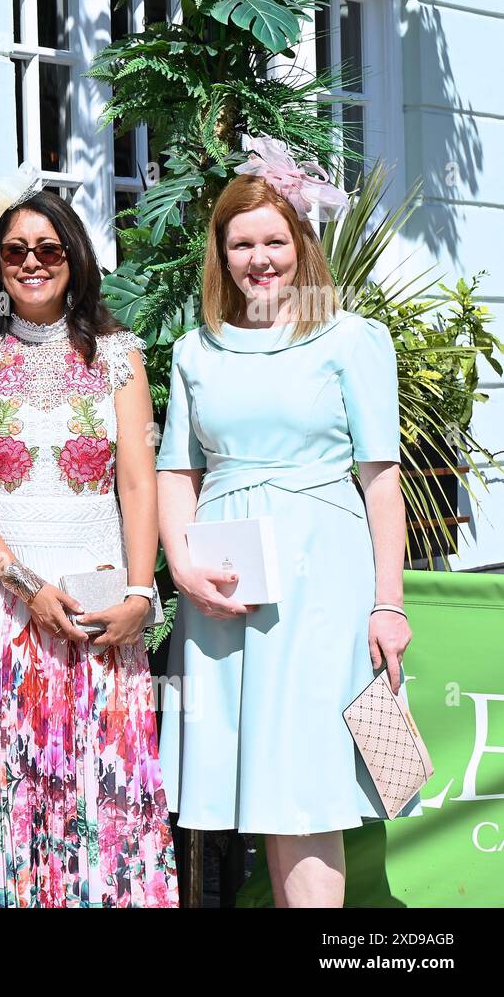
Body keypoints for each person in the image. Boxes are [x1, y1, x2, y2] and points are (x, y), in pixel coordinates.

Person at [156, 137, 412, 908]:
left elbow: (382, 478)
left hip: (322, 582)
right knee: (263, 789)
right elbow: (177, 469)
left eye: (274, 240)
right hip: (226, 585)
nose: (259, 259)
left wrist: (389, 602)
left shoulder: (351, 338)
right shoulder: (193, 350)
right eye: (242, 244)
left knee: (304, 782)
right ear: (221, 253)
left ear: (300, 242)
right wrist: (182, 564)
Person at [0, 184, 178, 908]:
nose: (32, 262)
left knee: (97, 787)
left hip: (98, 603)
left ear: (75, 257)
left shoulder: (119, 356)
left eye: (49, 248)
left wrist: (140, 593)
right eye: (16, 250)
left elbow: (138, 484)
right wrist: (26, 586)